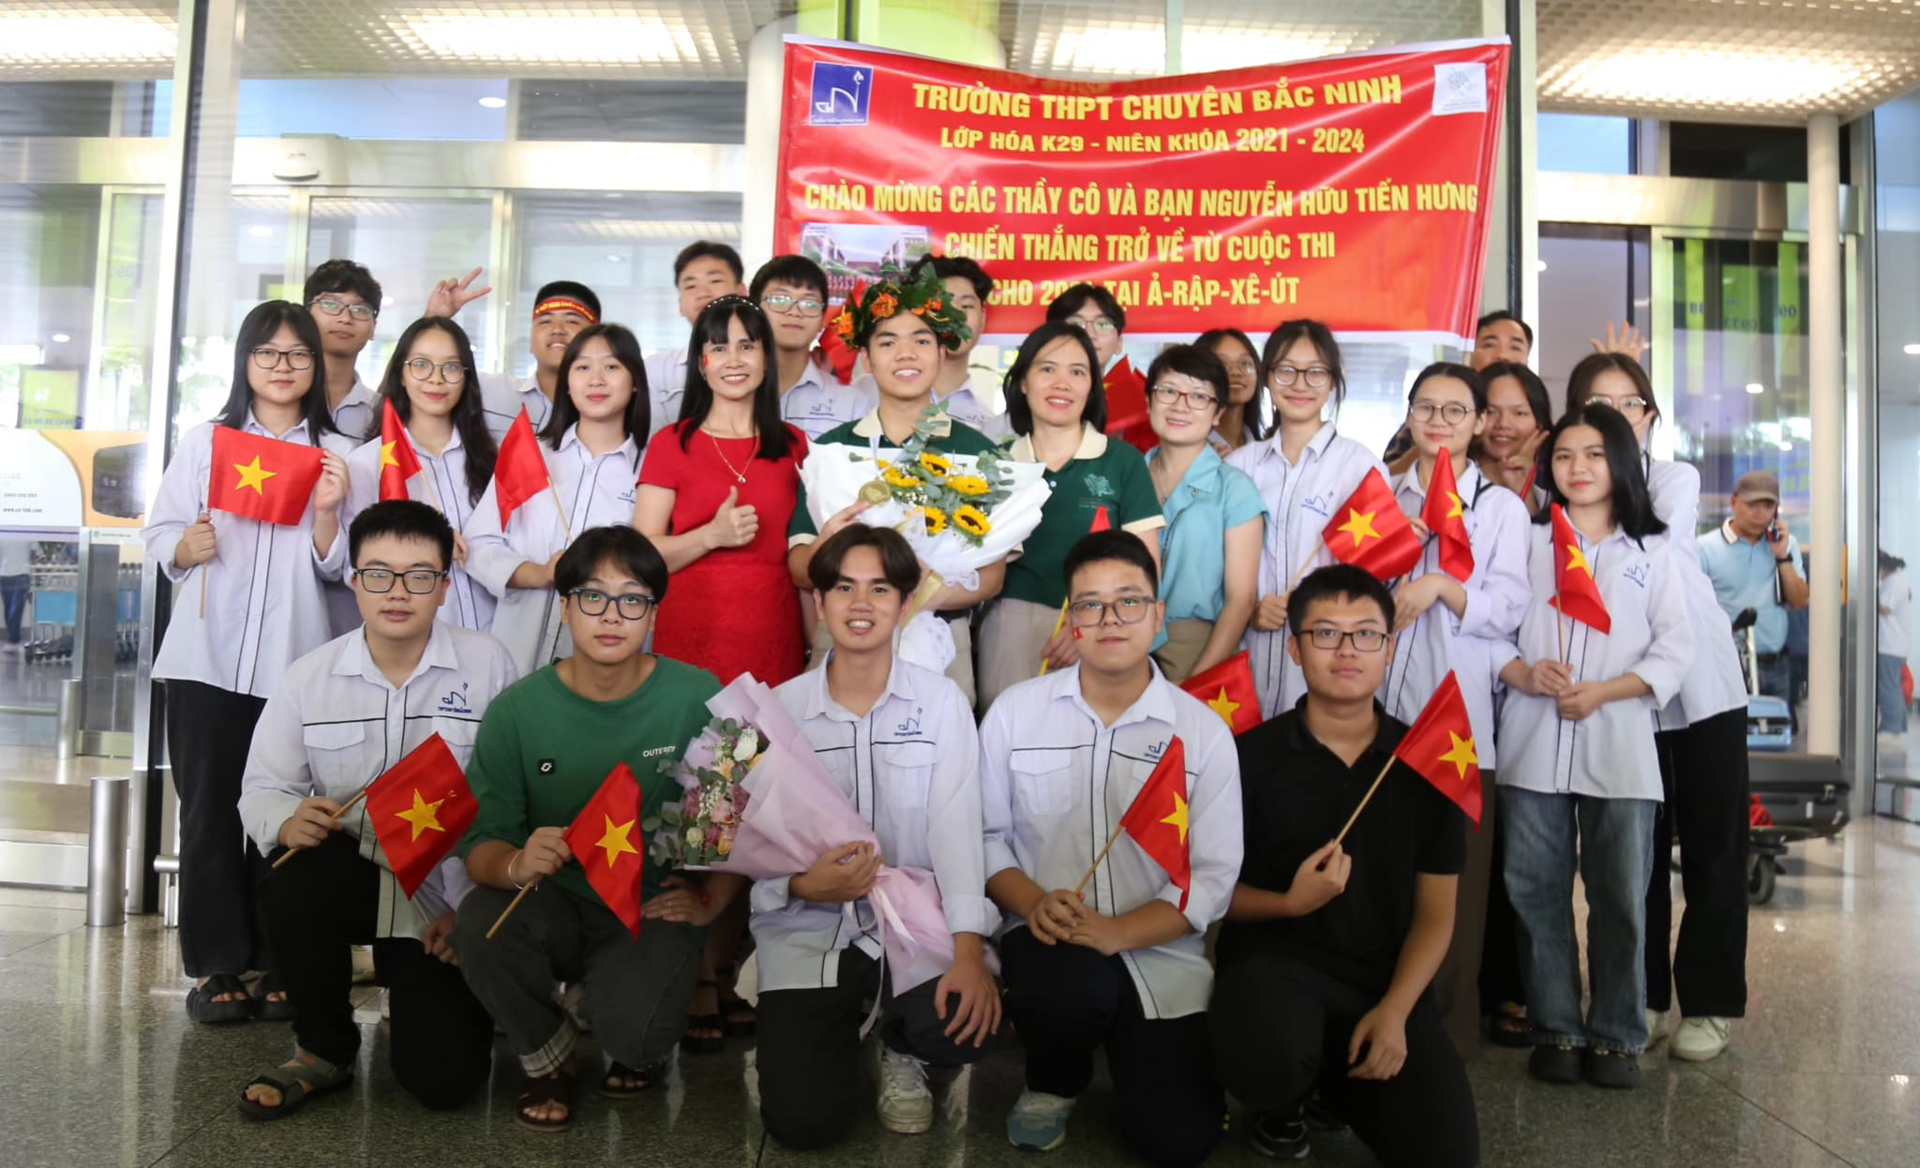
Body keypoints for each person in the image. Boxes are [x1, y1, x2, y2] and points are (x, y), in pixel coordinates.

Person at [454, 525, 744, 1132]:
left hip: (649, 903)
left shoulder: (704, 696)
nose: (612, 615)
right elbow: (481, 846)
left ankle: (614, 1011)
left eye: (632, 598)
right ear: (564, 607)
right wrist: (515, 863)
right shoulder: (517, 709)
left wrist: (712, 902)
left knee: (637, 1045)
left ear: (653, 613)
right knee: (480, 920)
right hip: (554, 900)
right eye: (593, 596)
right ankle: (547, 1050)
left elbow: (737, 824)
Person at [235, 501, 515, 1118]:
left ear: (444, 587)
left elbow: (511, 797)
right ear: (354, 582)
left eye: (420, 576)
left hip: (444, 890)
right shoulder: (309, 677)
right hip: (351, 872)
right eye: (378, 574)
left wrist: (473, 911)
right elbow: (262, 788)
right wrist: (286, 819)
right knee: (290, 875)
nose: (398, 592)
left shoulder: (489, 663)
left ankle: (442, 998)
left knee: (443, 1085)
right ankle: (322, 1048)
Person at [981, 529, 1241, 1164]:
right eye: (1089, 605)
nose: (1109, 619)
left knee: (1177, 1141)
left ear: (1157, 616)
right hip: (1047, 938)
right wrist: (1034, 902)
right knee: (1068, 992)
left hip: (1157, 950)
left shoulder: (1201, 733)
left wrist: (1119, 932)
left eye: (1129, 602)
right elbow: (984, 837)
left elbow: (1213, 876)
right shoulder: (1016, 712)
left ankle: (1136, 1054)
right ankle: (1054, 1078)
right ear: (1071, 619)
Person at [1211, 565, 1476, 1166]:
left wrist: (1396, 1012)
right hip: (1274, 970)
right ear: (1296, 648)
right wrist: (1287, 904)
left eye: (1366, 635)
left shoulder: (1427, 764)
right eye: (1326, 634)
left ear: (1390, 647)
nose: (1347, 650)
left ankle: (1338, 1086)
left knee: (1447, 1151)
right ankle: (1284, 1099)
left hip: (1380, 984)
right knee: (1269, 1054)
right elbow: (1208, 895)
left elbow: (1437, 917)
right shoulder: (1247, 756)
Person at [142, 300, 353, 1023]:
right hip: (206, 657)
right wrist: (181, 547)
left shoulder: (338, 453)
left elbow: (342, 571)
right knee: (206, 814)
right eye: (269, 353)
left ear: (315, 366)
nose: (284, 366)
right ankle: (216, 966)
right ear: (246, 361)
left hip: (293, 664)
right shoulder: (209, 441)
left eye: (298, 355)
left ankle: (281, 959)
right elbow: (160, 532)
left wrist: (328, 515)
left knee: (285, 815)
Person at [758, 525, 999, 1147]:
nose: (860, 604)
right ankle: (837, 1034)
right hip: (810, 927)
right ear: (819, 602)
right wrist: (802, 884)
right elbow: (751, 853)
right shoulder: (774, 712)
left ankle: (903, 1046)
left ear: (904, 604)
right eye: (843, 587)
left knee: (963, 1024)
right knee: (802, 1125)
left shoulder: (943, 704)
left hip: (915, 920)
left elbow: (958, 829)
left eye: (880, 588)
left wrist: (970, 952)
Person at [1496, 404, 1693, 1090]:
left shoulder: (1653, 551)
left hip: (1622, 745)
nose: (1577, 468)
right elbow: (1491, 625)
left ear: (1621, 463)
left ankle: (1616, 1035)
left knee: (1620, 896)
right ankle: (1556, 1026)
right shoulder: (1526, 541)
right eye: (1564, 456)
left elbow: (1678, 649)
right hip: (1530, 739)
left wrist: (1607, 691)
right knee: (1534, 892)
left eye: (1594, 455)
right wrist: (1523, 671)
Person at [1566, 352, 1755, 1063]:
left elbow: (1641, 535)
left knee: (1713, 849)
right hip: (1626, 694)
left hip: (1702, 690)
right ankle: (1637, 997)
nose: (1617, 415)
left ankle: (1708, 1003)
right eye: (1598, 402)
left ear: (1649, 417)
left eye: (1630, 404)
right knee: (1631, 854)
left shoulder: (1673, 478)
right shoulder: (1563, 487)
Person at [1381, 362, 1529, 1056]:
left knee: (1454, 884)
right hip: (1377, 712)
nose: (1439, 421)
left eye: (1455, 410)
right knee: (1381, 873)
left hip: (1459, 722)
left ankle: (1443, 1033)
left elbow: (1508, 608)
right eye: (1425, 408)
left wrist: (1441, 581)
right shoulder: (1380, 495)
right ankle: (1377, 1018)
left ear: (1478, 425)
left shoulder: (1499, 508)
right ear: (1409, 416)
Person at [788, 271, 1006, 704]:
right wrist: (826, 543)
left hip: (943, 637)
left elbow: (992, 576)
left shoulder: (977, 452)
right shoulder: (833, 450)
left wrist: (916, 599)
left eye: (921, 341)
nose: (905, 353)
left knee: (940, 759)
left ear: (943, 353)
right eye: (888, 342)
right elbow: (798, 567)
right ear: (866, 359)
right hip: (845, 635)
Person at [975, 323, 1165, 709]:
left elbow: (1148, 568)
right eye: (1047, 369)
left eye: (1077, 372)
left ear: (1092, 387)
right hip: (1010, 625)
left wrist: (1092, 622)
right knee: (1007, 740)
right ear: (1023, 381)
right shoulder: (995, 463)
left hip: (1103, 625)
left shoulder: (1122, 461)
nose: (1062, 383)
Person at [636, 296, 809, 686]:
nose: (734, 360)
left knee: (773, 746)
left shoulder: (795, 445)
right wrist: (710, 536)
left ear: (766, 359)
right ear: (701, 364)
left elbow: (806, 554)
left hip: (775, 637)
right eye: (719, 348)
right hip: (690, 635)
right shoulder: (671, 443)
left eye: (747, 346)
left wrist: (817, 649)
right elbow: (643, 558)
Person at [465, 323, 648, 675]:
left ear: (635, 380)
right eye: (582, 367)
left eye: (611, 366)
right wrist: (540, 574)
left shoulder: (651, 470)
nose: (596, 379)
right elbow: (479, 543)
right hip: (515, 651)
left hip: (608, 663)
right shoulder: (529, 455)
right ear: (567, 382)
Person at [1226, 319, 1385, 721]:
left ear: (1333, 381)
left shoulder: (1359, 466)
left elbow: (1373, 578)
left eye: (1315, 372)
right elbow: (1215, 565)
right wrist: (1248, 610)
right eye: (1286, 371)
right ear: (1268, 379)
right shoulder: (1239, 466)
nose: (1300, 384)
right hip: (1245, 665)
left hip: (1325, 666)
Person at [339, 316, 499, 631]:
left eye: (451, 367)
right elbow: (352, 568)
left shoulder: (493, 459)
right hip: (416, 641)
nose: (436, 379)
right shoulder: (368, 462)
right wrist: (427, 545)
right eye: (421, 365)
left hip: (498, 637)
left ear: (466, 377)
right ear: (401, 373)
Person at [1139, 344, 1264, 682]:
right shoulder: (1128, 475)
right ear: (1149, 400)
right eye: (1168, 391)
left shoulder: (1235, 489)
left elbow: (1241, 600)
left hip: (1196, 646)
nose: (1180, 405)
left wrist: (1200, 680)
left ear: (1218, 413)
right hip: (1124, 638)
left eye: (1198, 396)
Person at [424, 274, 599, 442]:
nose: (557, 330)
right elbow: (414, 382)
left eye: (572, 321)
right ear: (531, 341)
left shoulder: (609, 402)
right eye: (545, 322)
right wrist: (433, 318)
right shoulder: (486, 391)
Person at [1695, 468, 1809, 706]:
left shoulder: (1786, 545)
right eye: (1753, 505)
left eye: (1768, 507)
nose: (1761, 514)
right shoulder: (1704, 548)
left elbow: (1799, 601)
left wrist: (1782, 557)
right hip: (1725, 662)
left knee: (1775, 739)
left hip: (1776, 664)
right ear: (1734, 502)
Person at [749, 253, 876, 438]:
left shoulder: (852, 403)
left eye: (809, 303)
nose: (794, 312)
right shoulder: (729, 391)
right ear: (754, 310)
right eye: (780, 300)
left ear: (822, 320)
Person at [644, 241, 748, 434]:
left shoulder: (759, 362)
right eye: (691, 286)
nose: (703, 293)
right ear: (680, 305)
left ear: (742, 293)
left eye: (715, 281)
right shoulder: (656, 370)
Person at [904, 253, 1011, 439]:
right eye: (941, 303)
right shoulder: (874, 397)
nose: (955, 316)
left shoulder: (988, 424)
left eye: (966, 306)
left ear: (983, 318)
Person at [1046, 282, 1150, 450]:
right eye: (1076, 323)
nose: (1090, 334)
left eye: (1103, 324)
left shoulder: (1142, 408)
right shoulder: (1036, 395)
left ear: (1119, 343)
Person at [303, 259, 382, 439]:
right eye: (331, 304)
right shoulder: (280, 395)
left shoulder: (380, 411)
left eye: (360, 309)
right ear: (305, 316)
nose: (345, 318)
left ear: (373, 327)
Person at [1476, 361, 1553, 513]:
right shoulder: (1453, 479)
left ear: (1539, 422)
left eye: (1519, 413)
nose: (1503, 424)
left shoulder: (1558, 481)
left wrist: (1525, 492)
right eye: (1491, 412)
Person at [1194, 327, 1264, 454]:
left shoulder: (1263, 448)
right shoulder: (1189, 450)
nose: (1236, 372)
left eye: (1245, 363)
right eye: (1223, 364)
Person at [1878, 549, 1911, 737]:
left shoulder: (1893, 582)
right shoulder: (1899, 581)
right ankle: (1898, 726)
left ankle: (1891, 729)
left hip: (1890, 645)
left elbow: (1886, 609)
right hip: (1896, 645)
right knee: (1893, 687)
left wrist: (1867, 599)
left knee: (1888, 688)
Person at [0, 538, 29, 656]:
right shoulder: (3, 533)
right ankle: (13, 638)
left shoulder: (30, 533)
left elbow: (33, 553)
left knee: (16, 607)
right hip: (5, 573)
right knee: (8, 607)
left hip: (22, 573)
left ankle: (13, 639)